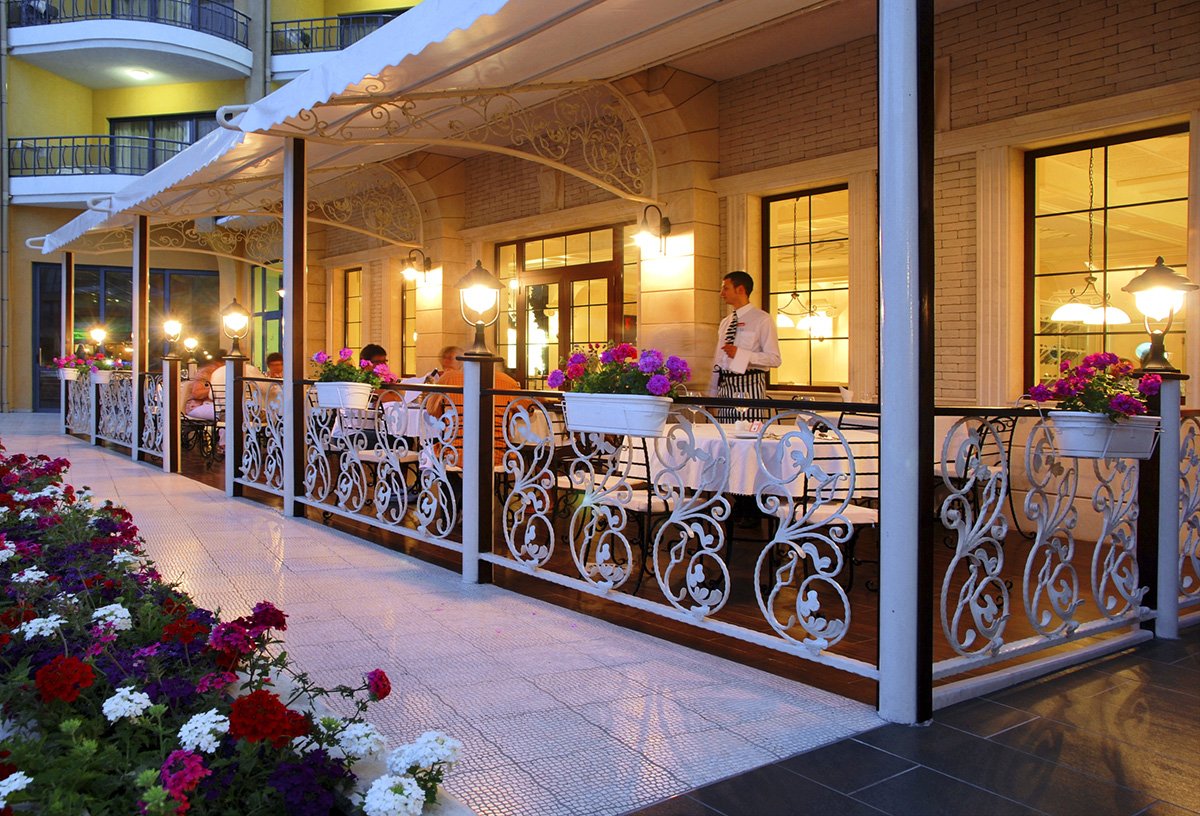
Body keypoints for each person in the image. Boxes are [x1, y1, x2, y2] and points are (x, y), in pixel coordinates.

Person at [708, 270, 781, 422]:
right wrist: (712, 394)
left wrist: (741, 354)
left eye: (726, 288)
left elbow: (774, 359)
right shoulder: (726, 322)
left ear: (740, 289)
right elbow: (718, 360)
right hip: (725, 387)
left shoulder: (762, 319)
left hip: (750, 385)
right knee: (725, 432)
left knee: (747, 432)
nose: (722, 294)